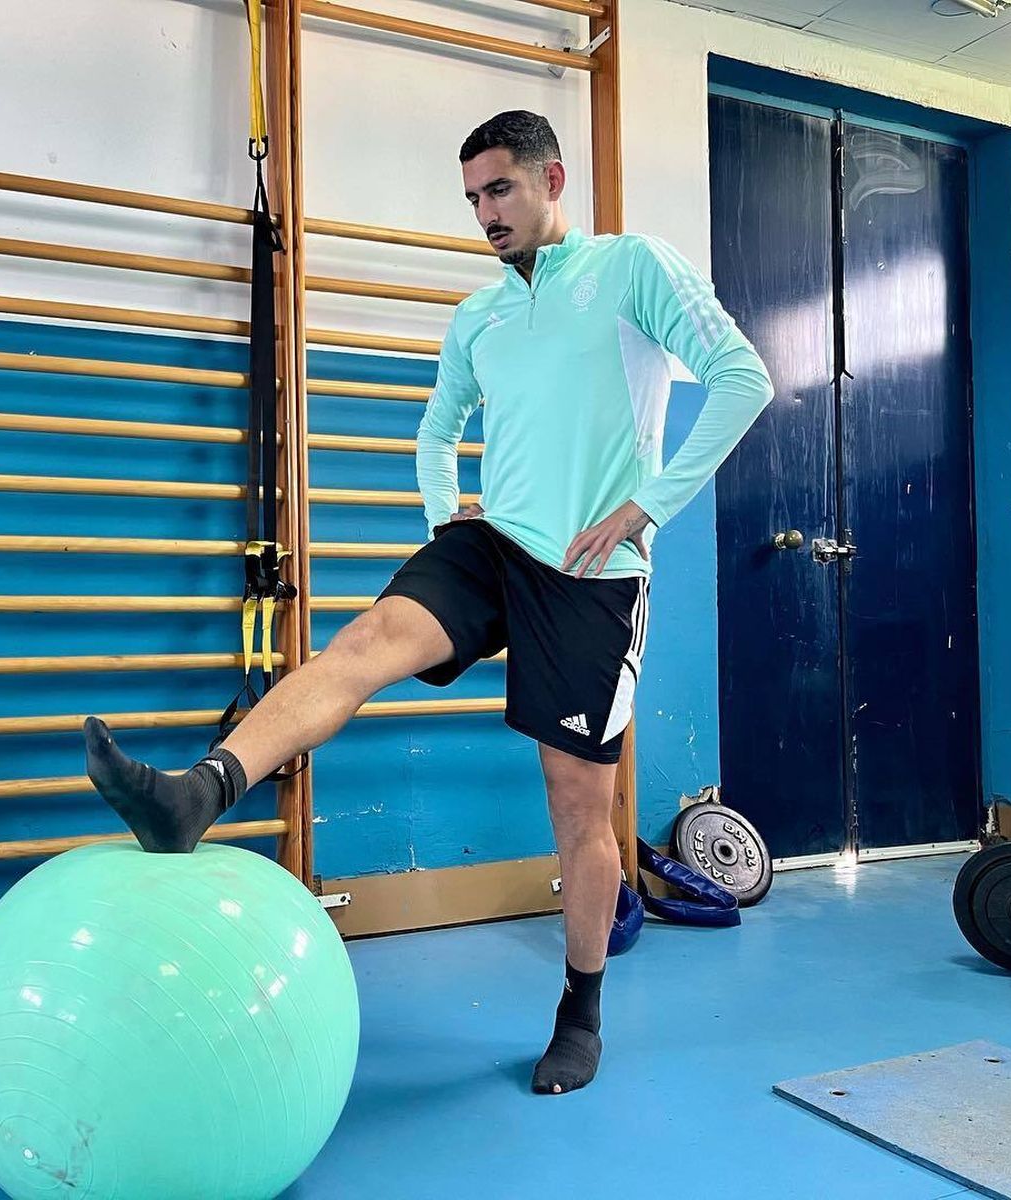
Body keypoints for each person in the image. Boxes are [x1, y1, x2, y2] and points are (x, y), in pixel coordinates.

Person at [84, 110, 774, 1095]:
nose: (484, 214)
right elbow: (435, 429)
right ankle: (197, 795)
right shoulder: (479, 317)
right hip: (492, 547)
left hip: (594, 577)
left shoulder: (632, 271)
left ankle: (580, 1009)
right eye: (471, 199)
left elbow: (743, 378)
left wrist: (645, 506)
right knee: (361, 642)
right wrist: (445, 516)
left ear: (551, 179)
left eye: (499, 190)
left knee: (578, 809)